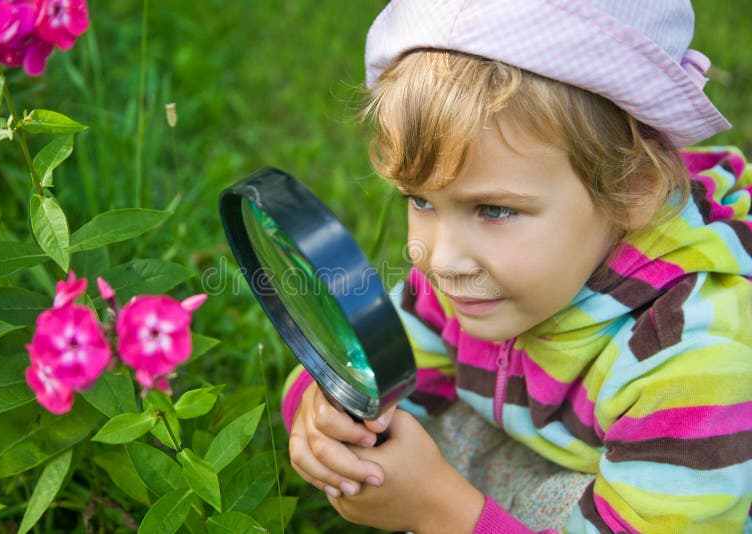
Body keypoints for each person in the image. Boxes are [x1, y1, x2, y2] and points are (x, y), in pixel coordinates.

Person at [281, 1, 752, 532]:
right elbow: (375, 366)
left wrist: (443, 512)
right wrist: (325, 417)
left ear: (633, 187)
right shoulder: (472, 280)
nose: (441, 259)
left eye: (496, 210)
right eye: (421, 201)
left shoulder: (685, 354)